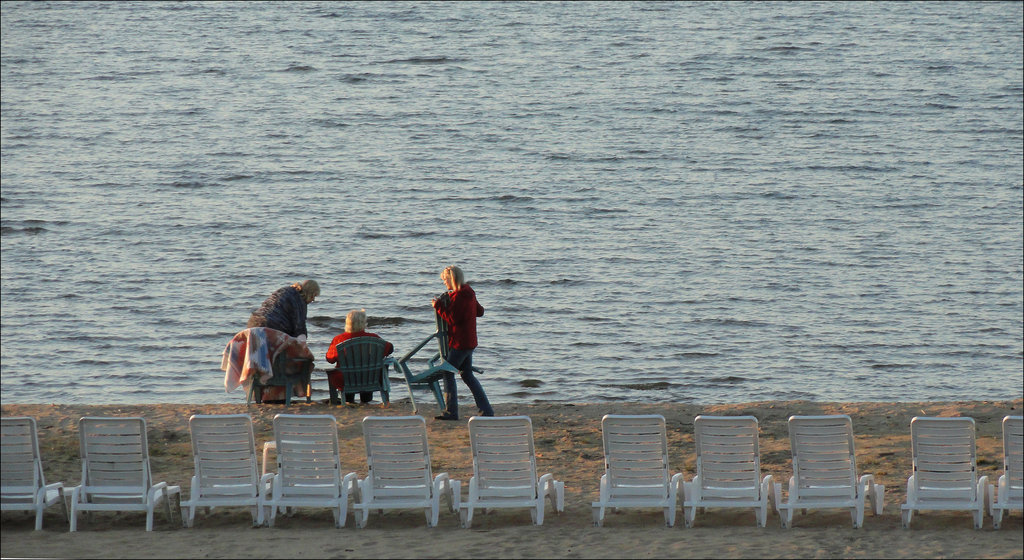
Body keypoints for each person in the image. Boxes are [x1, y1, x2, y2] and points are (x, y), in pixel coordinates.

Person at [431, 265, 494, 420]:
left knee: (447, 372)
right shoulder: (469, 292)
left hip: (461, 342)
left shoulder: (460, 296)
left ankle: (451, 412)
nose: (445, 284)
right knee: (467, 375)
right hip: (469, 341)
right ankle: (486, 410)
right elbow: (480, 311)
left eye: (445, 280)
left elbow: (452, 319)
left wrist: (438, 306)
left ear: (452, 279)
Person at [325, 309, 394, 404]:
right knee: (368, 372)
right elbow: (389, 348)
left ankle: (348, 400)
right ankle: (366, 400)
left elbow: (330, 359)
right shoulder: (374, 338)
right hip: (370, 378)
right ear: (363, 323)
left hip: (346, 379)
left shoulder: (338, 339)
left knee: (341, 374)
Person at [247, 279, 319, 340]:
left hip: (254, 321)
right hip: (272, 326)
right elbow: (299, 328)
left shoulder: (285, 290)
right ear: (310, 294)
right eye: (313, 297)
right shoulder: (300, 302)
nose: (313, 300)